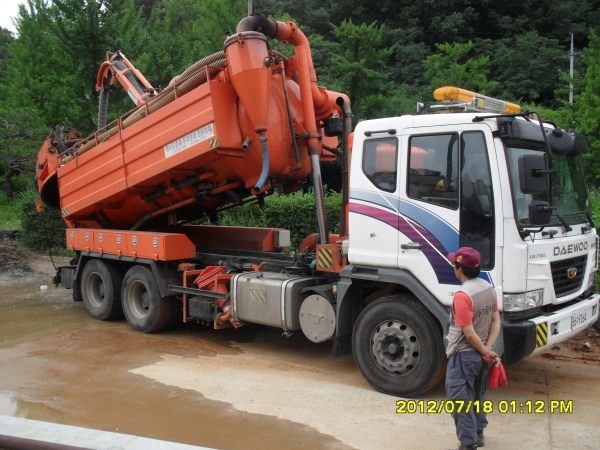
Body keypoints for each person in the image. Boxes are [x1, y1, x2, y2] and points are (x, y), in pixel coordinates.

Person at [446, 247, 501, 450]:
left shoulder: (463, 295)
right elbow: (496, 321)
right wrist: (487, 348)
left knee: (460, 401)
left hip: (463, 356)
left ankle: (468, 444)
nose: (454, 266)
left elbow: (468, 334)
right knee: (478, 396)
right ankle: (478, 433)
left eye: (455, 264)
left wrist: (485, 351)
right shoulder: (488, 288)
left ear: (460, 268)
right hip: (481, 356)